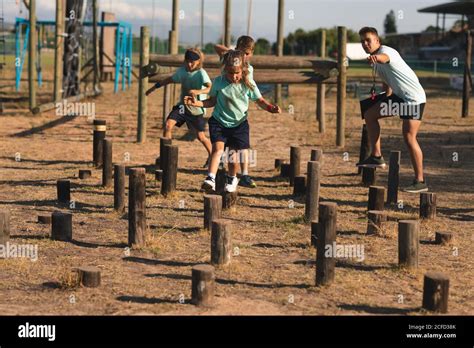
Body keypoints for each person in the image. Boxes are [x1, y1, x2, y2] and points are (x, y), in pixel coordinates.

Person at [184, 50, 281, 193]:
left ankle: (233, 178)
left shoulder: (248, 84)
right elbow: (211, 101)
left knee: (233, 157)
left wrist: (270, 108)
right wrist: (196, 103)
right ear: (225, 70)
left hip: (239, 125)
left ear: (242, 70)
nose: (234, 76)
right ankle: (210, 178)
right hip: (219, 122)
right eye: (230, 73)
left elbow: (259, 100)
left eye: (237, 73)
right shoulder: (218, 82)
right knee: (217, 150)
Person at [357, 27, 428, 193]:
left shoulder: (386, 52)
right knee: (370, 114)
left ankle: (420, 181)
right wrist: (384, 97)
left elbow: (385, 59)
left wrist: (376, 58)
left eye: (368, 40)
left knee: (409, 137)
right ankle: (376, 157)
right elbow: (387, 80)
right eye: (362, 41)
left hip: (413, 98)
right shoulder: (374, 61)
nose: (365, 44)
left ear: (377, 41)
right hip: (399, 96)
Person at [146, 48, 212, 167]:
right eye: (187, 61)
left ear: (198, 62)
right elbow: (169, 80)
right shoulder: (182, 71)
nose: (189, 64)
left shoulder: (201, 73)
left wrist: (197, 92)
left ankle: (214, 156)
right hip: (182, 107)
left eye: (192, 62)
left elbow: (210, 88)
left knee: (201, 136)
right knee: (168, 125)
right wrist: (154, 87)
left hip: (196, 109)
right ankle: (166, 155)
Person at [214, 36, 258, 188]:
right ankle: (230, 176)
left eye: (247, 53)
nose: (244, 56)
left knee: (240, 147)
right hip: (223, 110)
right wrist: (232, 53)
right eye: (241, 52)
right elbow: (216, 46)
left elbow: (251, 90)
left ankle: (243, 174)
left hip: (238, 111)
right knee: (228, 150)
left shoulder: (249, 69)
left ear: (251, 53)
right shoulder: (229, 59)